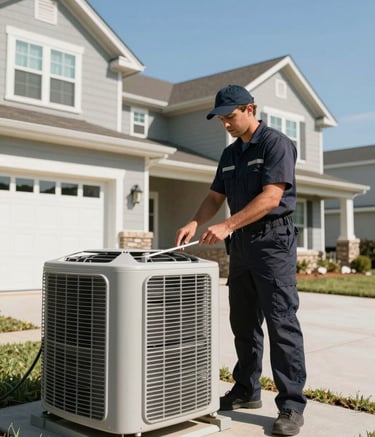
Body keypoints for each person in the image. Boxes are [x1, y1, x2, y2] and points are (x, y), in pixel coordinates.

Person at [175, 84, 307, 436]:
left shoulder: (275, 144)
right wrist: (194, 221)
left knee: (281, 324)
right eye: (221, 119)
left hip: (273, 242)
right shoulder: (230, 155)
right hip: (243, 246)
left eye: (230, 117)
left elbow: (270, 197)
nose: (226, 124)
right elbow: (215, 195)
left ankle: (292, 405)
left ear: (250, 109)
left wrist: (227, 225)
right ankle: (246, 389)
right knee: (244, 322)